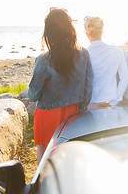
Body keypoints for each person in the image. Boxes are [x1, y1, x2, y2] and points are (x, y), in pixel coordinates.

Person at [28, 8, 93, 163]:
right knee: (70, 150)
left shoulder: (43, 60)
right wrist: (81, 107)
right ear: (70, 29)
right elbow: (88, 85)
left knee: (45, 150)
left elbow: (33, 95)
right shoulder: (83, 54)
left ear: (48, 33)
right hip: (73, 111)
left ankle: (43, 180)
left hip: (47, 114)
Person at [84, 16, 128, 109]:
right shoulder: (116, 50)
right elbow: (125, 78)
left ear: (86, 34)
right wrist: (115, 100)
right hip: (110, 104)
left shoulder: (84, 54)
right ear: (102, 31)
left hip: (90, 106)